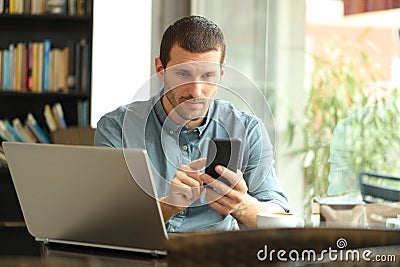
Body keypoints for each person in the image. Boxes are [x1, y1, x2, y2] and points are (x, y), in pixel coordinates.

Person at [94, 15, 289, 232]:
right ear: (160, 69)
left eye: (208, 75)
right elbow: (106, 223)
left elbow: (282, 218)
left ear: (221, 73)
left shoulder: (248, 130)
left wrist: (241, 205)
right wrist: (169, 205)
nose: (196, 91)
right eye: (183, 74)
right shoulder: (117, 128)